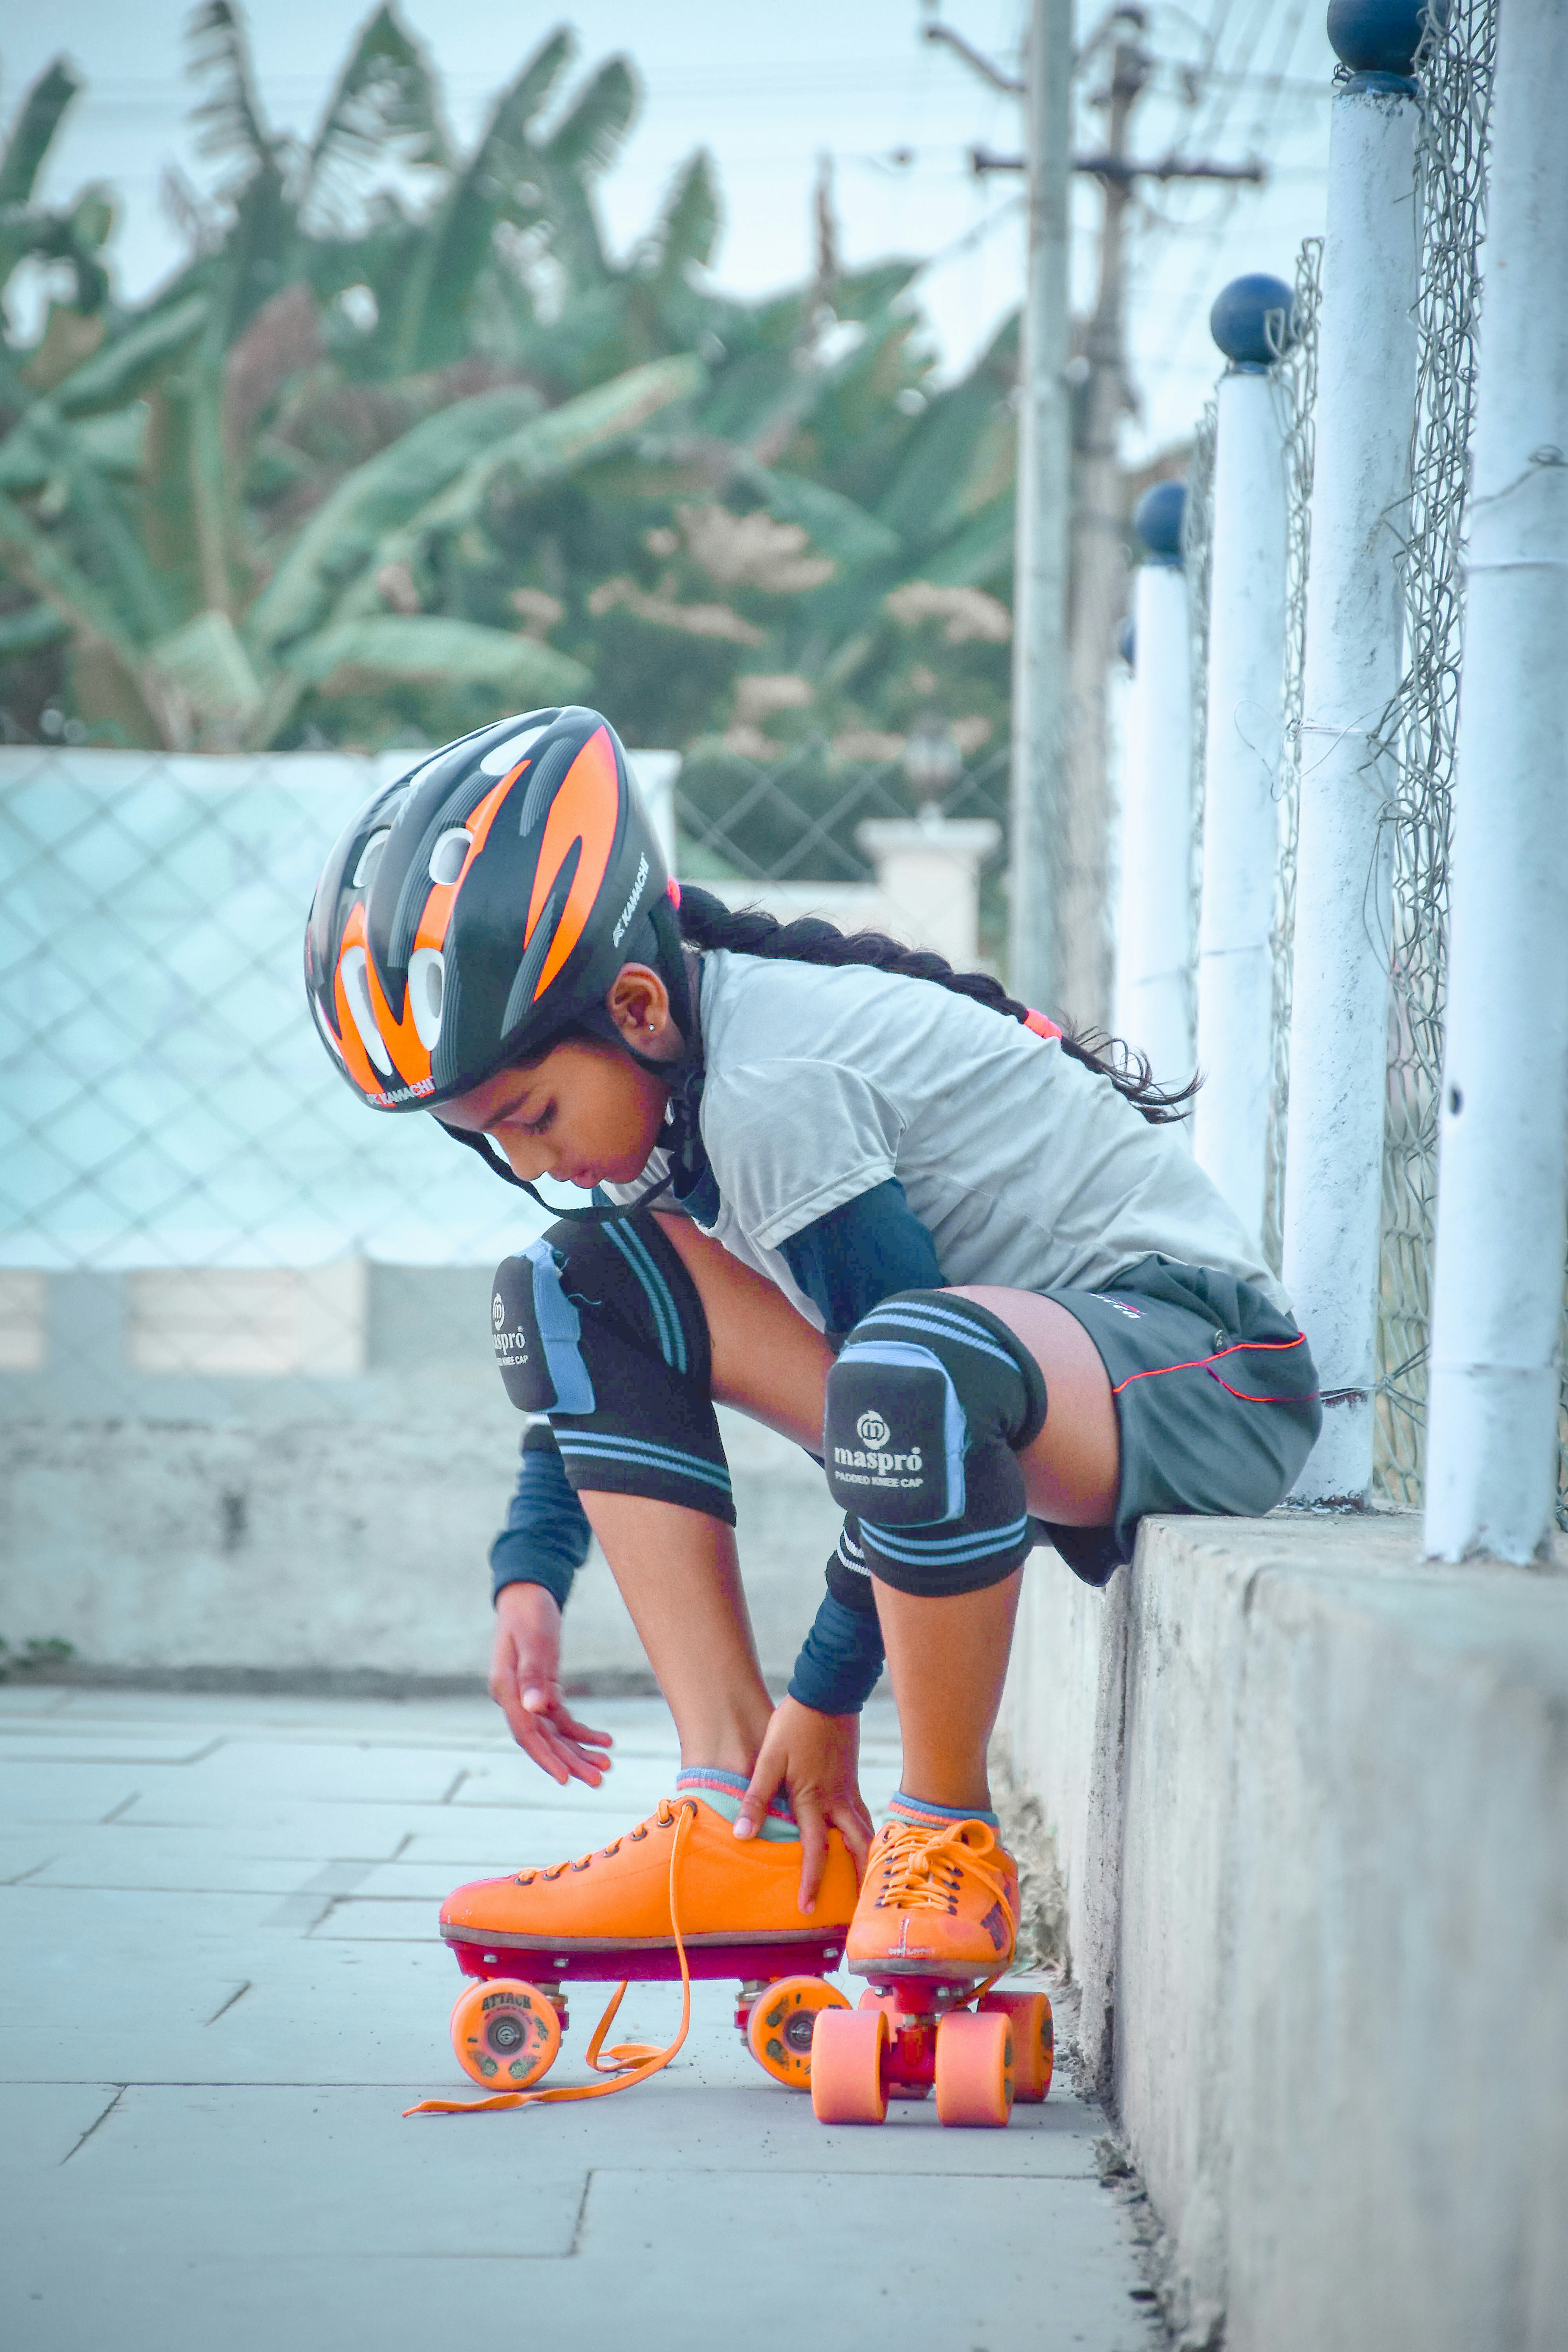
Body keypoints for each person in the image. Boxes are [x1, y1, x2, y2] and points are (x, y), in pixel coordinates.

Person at [305, 703, 1320, 2035]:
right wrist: (531, 1572)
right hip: (1001, 1376)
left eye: (538, 1115)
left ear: (637, 1005)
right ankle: (733, 1811)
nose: (538, 1163)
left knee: (907, 1367)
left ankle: (943, 1836)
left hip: (1200, 1367)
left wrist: (828, 1694)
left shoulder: (771, 1087)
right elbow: (685, 1346)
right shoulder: (687, 1080)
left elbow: (906, 1393)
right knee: (577, 1281)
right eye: (497, 1143)